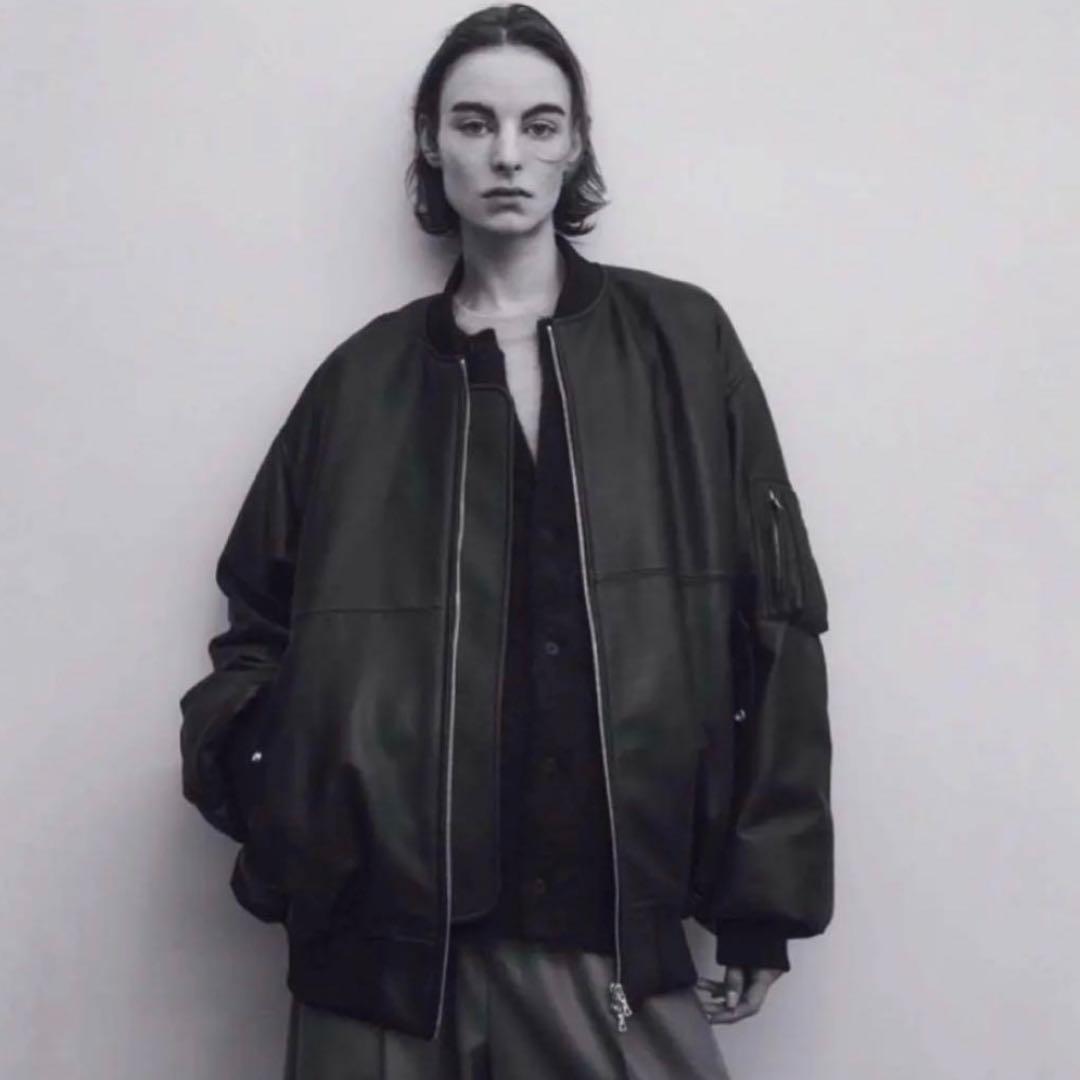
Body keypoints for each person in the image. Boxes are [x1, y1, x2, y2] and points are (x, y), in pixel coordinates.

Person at [178, 5, 834, 1077]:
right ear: (432, 144)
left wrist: (764, 903)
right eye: (474, 123)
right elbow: (256, 627)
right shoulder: (361, 381)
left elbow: (777, 626)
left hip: (604, 929)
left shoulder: (683, 346)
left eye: (539, 124)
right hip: (377, 956)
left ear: (575, 146)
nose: (507, 155)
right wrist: (290, 805)